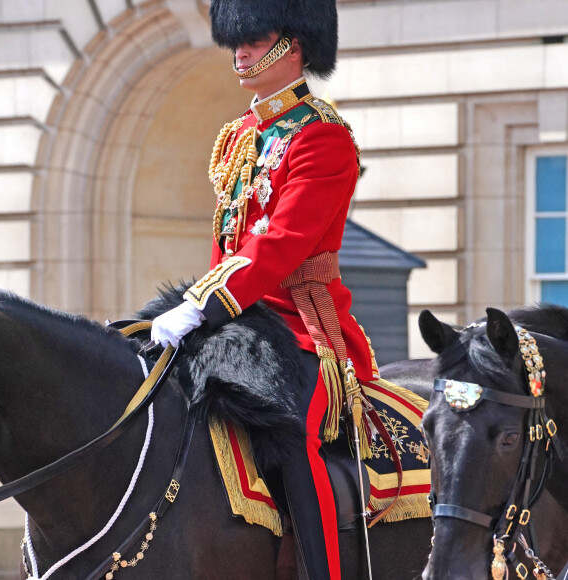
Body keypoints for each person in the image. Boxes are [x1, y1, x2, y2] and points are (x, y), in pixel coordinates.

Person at [151, 1, 379, 577]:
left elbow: (280, 244)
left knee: (293, 432)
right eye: (236, 40)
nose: (240, 51)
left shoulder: (323, 136)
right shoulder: (238, 135)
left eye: (253, 39)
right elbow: (227, 248)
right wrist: (195, 310)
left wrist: (204, 303)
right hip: (235, 316)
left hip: (303, 326)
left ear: (295, 46)